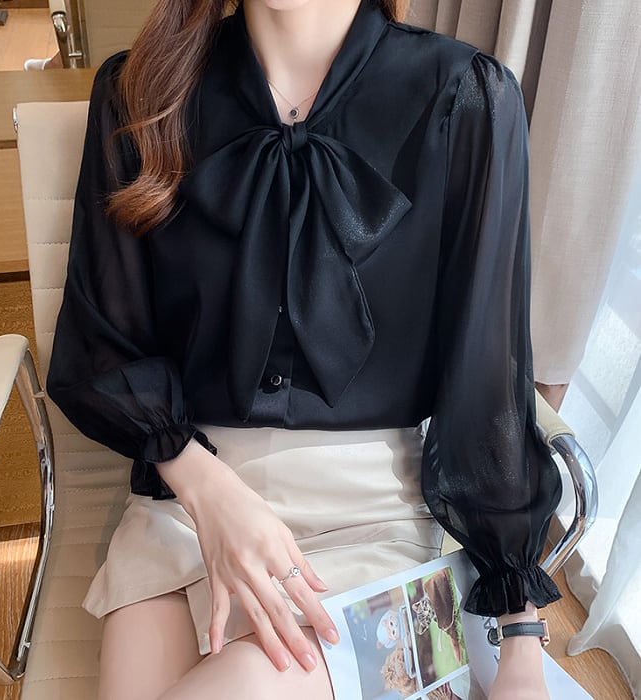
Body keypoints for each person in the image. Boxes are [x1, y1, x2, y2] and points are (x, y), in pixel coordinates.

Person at [46, 0, 563, 698]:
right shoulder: (138, 91)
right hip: (187, 501)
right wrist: (204, 488)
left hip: (377, 515)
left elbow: (487, 379)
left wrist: (521, 642)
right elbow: (101, 347)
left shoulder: (465, 96)